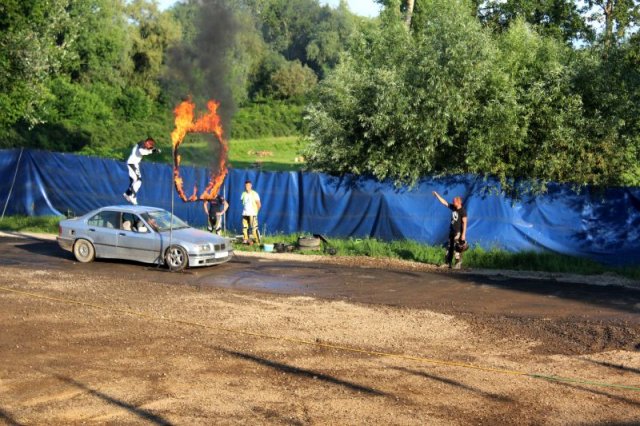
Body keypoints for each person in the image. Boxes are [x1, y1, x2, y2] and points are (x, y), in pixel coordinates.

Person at [433, 191, 468, 269]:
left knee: (457, 248)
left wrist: (463, 234)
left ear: (458, 202)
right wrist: (436, 195)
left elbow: (465, 223)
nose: (453, 202)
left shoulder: (463, 211)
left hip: (458, 232)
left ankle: (458, 263)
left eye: (454, 201)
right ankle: (447, 263)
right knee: (449, 247)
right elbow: (444, 202)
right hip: (452, 231)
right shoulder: (453, 207)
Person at [123, 138, 161, 205]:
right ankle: (132, 196)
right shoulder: (142, 143)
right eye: (149, 146)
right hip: (132, 163)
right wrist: (151, 151)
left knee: (134, 181)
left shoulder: (145, 145)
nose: (149, 147)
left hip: (134, 164)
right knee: (138, 181)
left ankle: (127, 193)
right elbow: (141, 151)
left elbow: (149, 149)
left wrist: (155, 150)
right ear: (147, 143)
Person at [241, 180, 261, 245]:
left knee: (254, 229)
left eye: (248, 185)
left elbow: (259, 204)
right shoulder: (243, 194)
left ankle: (258, 242)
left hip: (252, 214)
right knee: (245, 228)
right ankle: (246, 241)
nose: (247, 187)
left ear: (251, 186)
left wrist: (256, 212)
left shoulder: (255, 194)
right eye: (246, 185)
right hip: (245, 214)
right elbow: (243, 203)